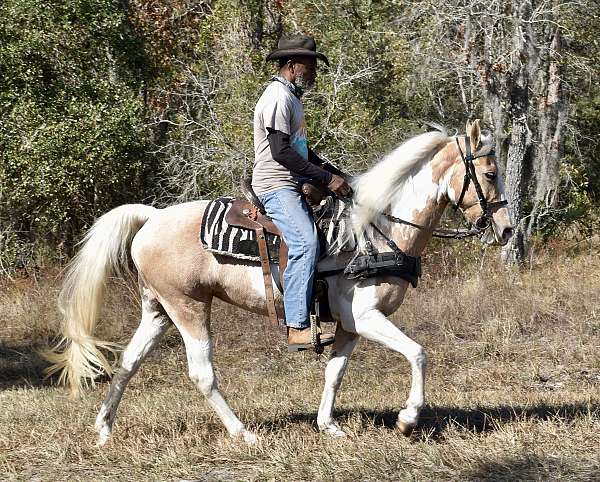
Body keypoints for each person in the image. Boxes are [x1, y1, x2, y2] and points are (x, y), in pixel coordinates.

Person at [252, 34, 353, 350]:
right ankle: (296, 326)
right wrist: (326, 178)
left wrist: (334, 174)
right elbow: (282, 153)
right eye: (310, 65)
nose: (314, 72)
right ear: (292, 65)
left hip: (290, 180)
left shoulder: (292, 98)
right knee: (305, 242)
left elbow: (301, 152)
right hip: (275, 183)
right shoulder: (278, 98)